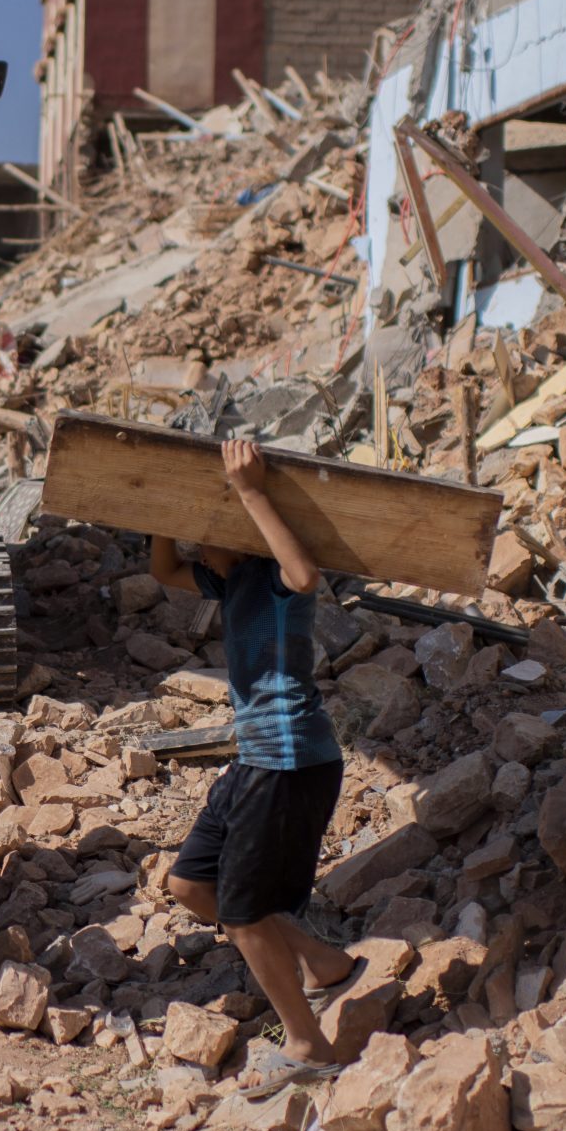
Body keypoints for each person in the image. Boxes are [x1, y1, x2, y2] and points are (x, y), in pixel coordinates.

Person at [146, 436, 355, 1092]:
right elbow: (163, 570)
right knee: (190, 884)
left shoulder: (274, 579)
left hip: (290, 761)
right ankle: (322, 962)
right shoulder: (230, 579)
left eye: (210, 537)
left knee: (240, 914)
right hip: (256, 760)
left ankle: (309, 1045)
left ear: (240, 537)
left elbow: (306, 574)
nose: (200, 548)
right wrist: (160, 511)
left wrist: (251, 490)